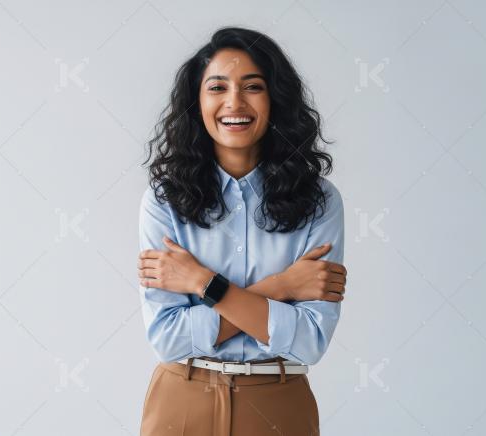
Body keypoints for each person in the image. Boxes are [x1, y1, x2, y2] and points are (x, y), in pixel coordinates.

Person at [137, 26, 348, 435]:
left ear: (275, 99)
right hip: (181, 400)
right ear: (197, 102)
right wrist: (284, 286)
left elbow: (309, 341)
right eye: (217, 87)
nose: (234, 102)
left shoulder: (320, 200)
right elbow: (169, 339)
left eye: (253, 86)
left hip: (279, 403)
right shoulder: (164, 201)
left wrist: (200, 282)